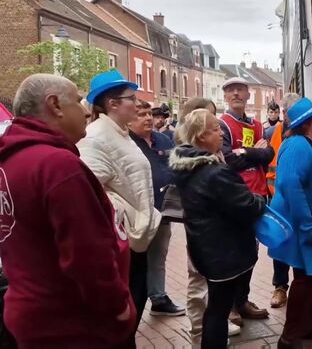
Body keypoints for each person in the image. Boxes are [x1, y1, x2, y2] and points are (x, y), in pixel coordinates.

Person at [0, 74, 135, 347]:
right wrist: (118, 306)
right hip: (71, 323)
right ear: (55, 105)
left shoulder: (9, 160)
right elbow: (86, 254)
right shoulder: (57, 165)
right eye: (77, 101)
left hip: (29, 312)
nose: (86, 111)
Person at [77, 70, 162, 348]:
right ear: (113, 103)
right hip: (122, 239)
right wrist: (127, 216)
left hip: (136, 237)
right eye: (131, 98)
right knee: (125, 311)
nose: (137, 105)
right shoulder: (95, 138)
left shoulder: (121, 134)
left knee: (134, 304)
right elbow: (91, 191)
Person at [170, 108, 266, 348]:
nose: (221, 134)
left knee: (216, 307)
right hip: (224, 251)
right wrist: (260, 200)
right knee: (218, 310)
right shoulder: (214, 171)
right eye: (215, 129)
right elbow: (246, 205)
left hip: (205, 248)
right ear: (201, 136)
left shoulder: (187, 167)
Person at [269, 97, 312, 348]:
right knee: (307, 279)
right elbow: (289, 186)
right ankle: (289, 337)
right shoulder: (298, 145)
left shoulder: (307, 143)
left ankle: (307, 327)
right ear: (309, 122)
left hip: (305, 222)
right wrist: (308, 225)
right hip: (302, 225)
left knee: (306, 274)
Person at [175, 98, 242, 346]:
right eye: (213, 125)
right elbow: (235, 198)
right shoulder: (200, 163)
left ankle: (211, 329)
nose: (220, 131)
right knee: (201, 285)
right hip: (210, 238)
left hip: (211, 235)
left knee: (215, 297)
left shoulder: (208, 156)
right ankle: (200, 333)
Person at [218, 77, 272, 324]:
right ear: (225, 96)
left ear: (249, 94)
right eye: (231, 90)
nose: (236, 94)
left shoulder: (257, 125)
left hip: (259, 195)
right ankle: (229, 306)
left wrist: (248, 153)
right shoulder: (223, 125)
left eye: (240, 89)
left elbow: (268, 154)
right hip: (236, 197)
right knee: (234, 250)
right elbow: (230, 160)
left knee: (251, 250)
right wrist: (255, 154)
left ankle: (242, 300)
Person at [129, 99, 185, 317]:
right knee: (135, 261)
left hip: (164, 209)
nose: (147, 118)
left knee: (159, 254)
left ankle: (158, 297)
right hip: (138, 212)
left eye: (148, 114)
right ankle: (133, 303)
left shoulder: (162, 139)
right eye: (140, 114)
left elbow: (174, 166)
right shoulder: (127, 143)